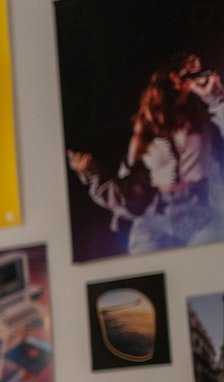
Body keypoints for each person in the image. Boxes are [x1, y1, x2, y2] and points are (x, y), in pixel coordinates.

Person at [68, 52, 224, 254]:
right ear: (168, 76)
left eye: (194, 68)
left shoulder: (205, 118)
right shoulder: (144, 133)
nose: (190, 72)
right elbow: (126, 193)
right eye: (182, 69)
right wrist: (91, 174)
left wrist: (217, 99)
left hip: (202, 212)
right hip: (155, 217)